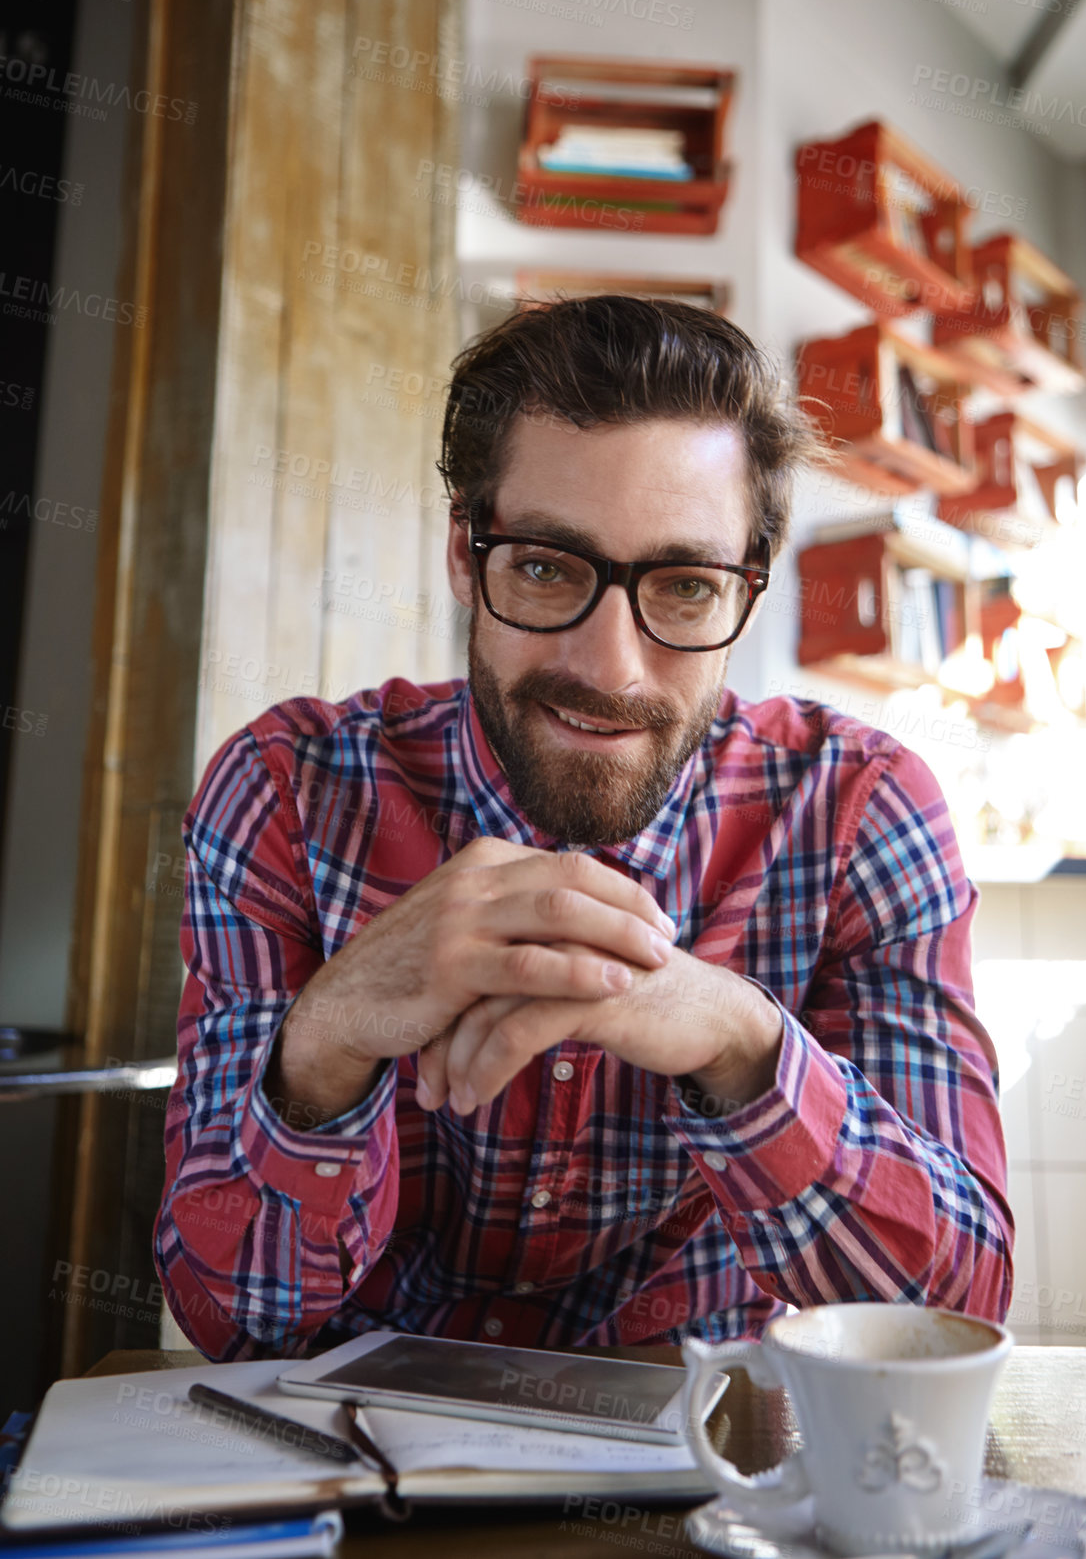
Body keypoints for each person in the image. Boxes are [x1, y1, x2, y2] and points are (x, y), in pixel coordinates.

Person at [155, 295, 1013, 1361]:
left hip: (715, 1486)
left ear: (749, 582)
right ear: (466, 555)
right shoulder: (284, 792)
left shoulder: (860, 810)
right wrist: (323, 1047)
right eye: (548, 568)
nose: (610, 669)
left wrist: (740, 1043)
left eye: (685, 586)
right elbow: (227, 1317)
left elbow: (958, 1303)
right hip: (362, 1488)